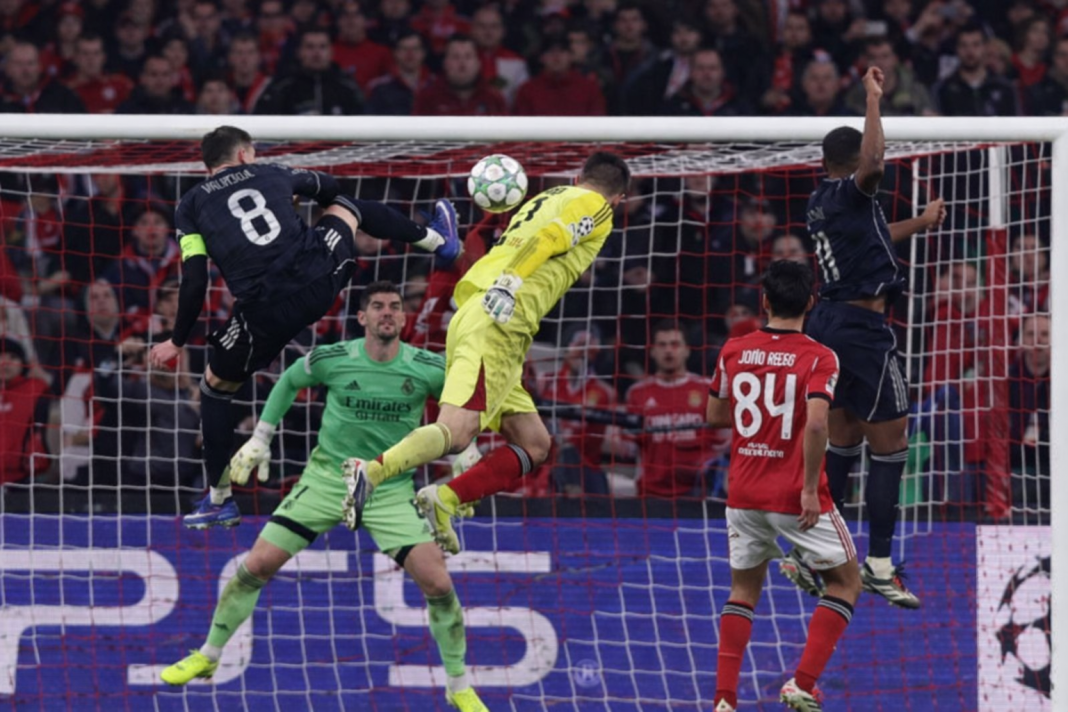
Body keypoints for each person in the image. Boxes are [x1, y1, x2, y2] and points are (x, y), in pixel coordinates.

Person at [159, 282, 489, 712]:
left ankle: (458, 685)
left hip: (388, 490)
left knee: (439, 584)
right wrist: (261, 437)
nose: (387, 313)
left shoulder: (428, 367)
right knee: (255, 565)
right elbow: (289, 381)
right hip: (327, 481)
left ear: (404, 319)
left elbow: (464, 402)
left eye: (394, 307)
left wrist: (467, 449)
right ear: (362, 318)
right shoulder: (333, 358)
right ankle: (209, 655)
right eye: (377, 307)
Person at [148, 126, 461, 529]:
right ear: (245, 154)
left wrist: (176, 340)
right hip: (317, 278)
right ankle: (438, 241)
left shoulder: (189, 206)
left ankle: (220, 499)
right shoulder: (273, 173)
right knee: (348, 206)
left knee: (214, 388)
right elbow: (330, 186)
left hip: (261, 311)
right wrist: (295, 194)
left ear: (208, 164)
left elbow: (195, 279)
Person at [341, 152, 630, 553]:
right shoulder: (597, 208)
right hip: (499, 318)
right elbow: (548, 241)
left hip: (488, 317)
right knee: (457, 434)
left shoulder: (543, 199)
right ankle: (370, 471)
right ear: (619, 198)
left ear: (578, 175)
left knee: (535, 444)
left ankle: (444, 500)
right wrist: (510, 284)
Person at [794, 66, 944, 609]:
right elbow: (876, 161)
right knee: (891, 448)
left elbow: (879, 234)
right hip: (862, 330)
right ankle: (878, 565)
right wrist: (873, 100)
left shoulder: (822, 202)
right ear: (854, 163)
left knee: (845, 440)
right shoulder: (857, 188)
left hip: (829, 324)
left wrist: (920, 223)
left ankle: (813, 555)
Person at [706, 259, 861, 712]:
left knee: (742, 592)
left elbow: (716, 415)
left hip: (743, 492)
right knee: (847, 584)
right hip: (794, 493)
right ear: (811, 303)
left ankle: (724, 699)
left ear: (765, 301)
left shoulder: (734, 349)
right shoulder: (820, 356)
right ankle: (802, 682)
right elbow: (816, 424)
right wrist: (810, 488)